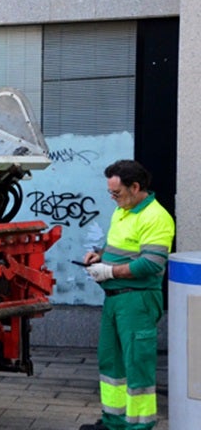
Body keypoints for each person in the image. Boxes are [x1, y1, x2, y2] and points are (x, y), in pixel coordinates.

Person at [80, 160, 174, 430]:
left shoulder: (155, 217)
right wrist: (99, 255)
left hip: (138, 300)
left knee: (137, 366)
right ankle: (114, 422)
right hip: (117, 300)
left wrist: (108, 271)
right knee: (111, 362)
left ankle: (138, 426)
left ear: (135, 187)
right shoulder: (124, 211)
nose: (113, 198)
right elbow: (118, 246)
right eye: (110, 193)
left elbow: (151, 264)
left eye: (117, 193)